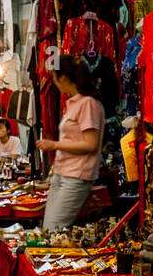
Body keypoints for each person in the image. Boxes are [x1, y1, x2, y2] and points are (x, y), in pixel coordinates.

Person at [37, 55, 105, 232]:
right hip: (63, 173)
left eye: (54, 77)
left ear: (64, 78)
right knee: (49, 229)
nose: (54, 82)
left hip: (76, 176)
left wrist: (54, 145)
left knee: (53, 229)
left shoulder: (88, 103)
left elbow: (90, 144)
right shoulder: (73, 104)